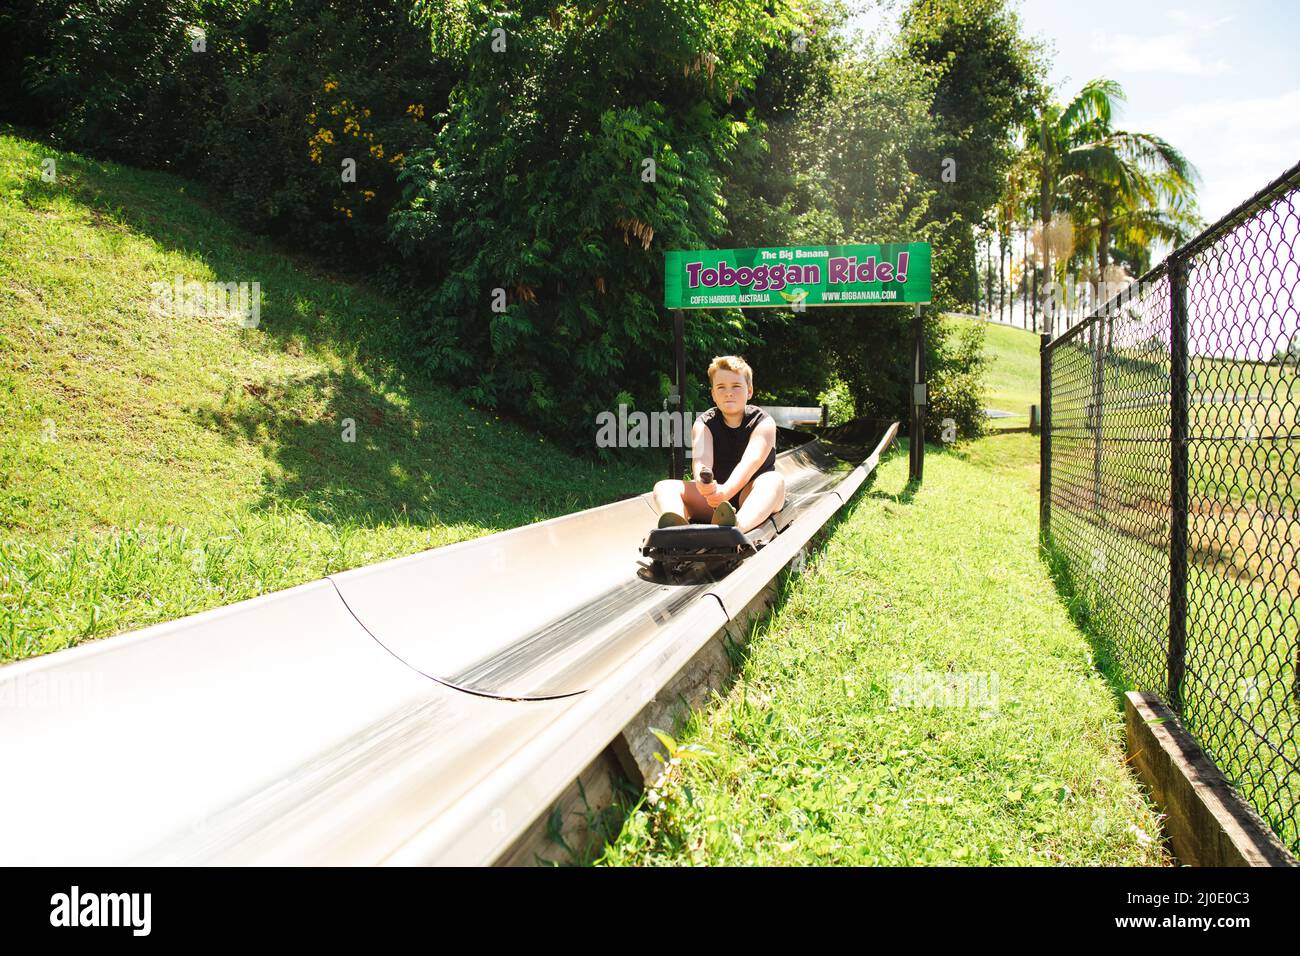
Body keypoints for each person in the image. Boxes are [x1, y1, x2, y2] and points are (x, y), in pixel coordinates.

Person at [652, 355, 787, 534]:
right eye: (721, 387)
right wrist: (705, 486)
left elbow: (750, 463)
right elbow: (701, 462)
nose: (728, 392)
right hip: (715, 499)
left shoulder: (763, 422)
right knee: (664, 487)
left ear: (749, 391)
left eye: (736, 386)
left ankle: (737, 527)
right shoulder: (703, 424)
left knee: (773, 481)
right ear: (713, 394)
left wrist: (726, 492)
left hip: (751, 495)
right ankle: (677, 528)